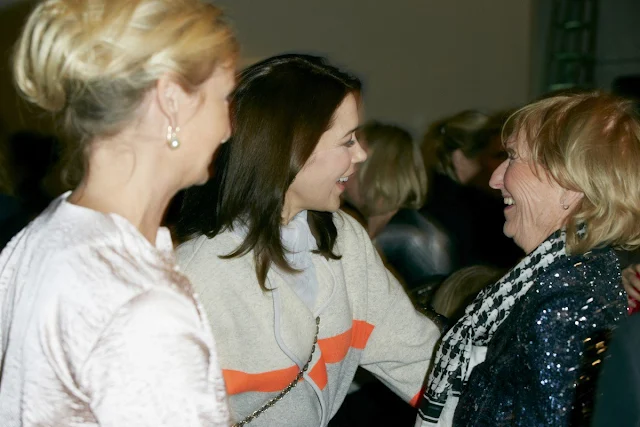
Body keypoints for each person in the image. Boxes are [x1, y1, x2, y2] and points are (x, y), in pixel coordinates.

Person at [0, 1, 237, 425]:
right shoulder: (141, 306)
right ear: (172, 101)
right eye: (224, 98)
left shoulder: (36, 241)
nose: (229, 128)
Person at [176, 54, 441, 427]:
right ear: (291, 148)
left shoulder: (344, 237)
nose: (361, 154)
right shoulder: (194, 275)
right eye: (348, 141)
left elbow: (415, 356)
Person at [417, 92, 639, 427]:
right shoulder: (572, 275)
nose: (494, 179)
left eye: (513, 158)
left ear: (569, 183)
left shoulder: (563, 302)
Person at [342, 120, 447, 290]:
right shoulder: (385, 229)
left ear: (376, 168)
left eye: (354, 159)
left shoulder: (411, 238)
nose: (343, 169)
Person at [420, 110, 524, 272]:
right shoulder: (480, 210)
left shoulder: (426, 199)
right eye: (500, 155)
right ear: (459, 158)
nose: (501, 171)